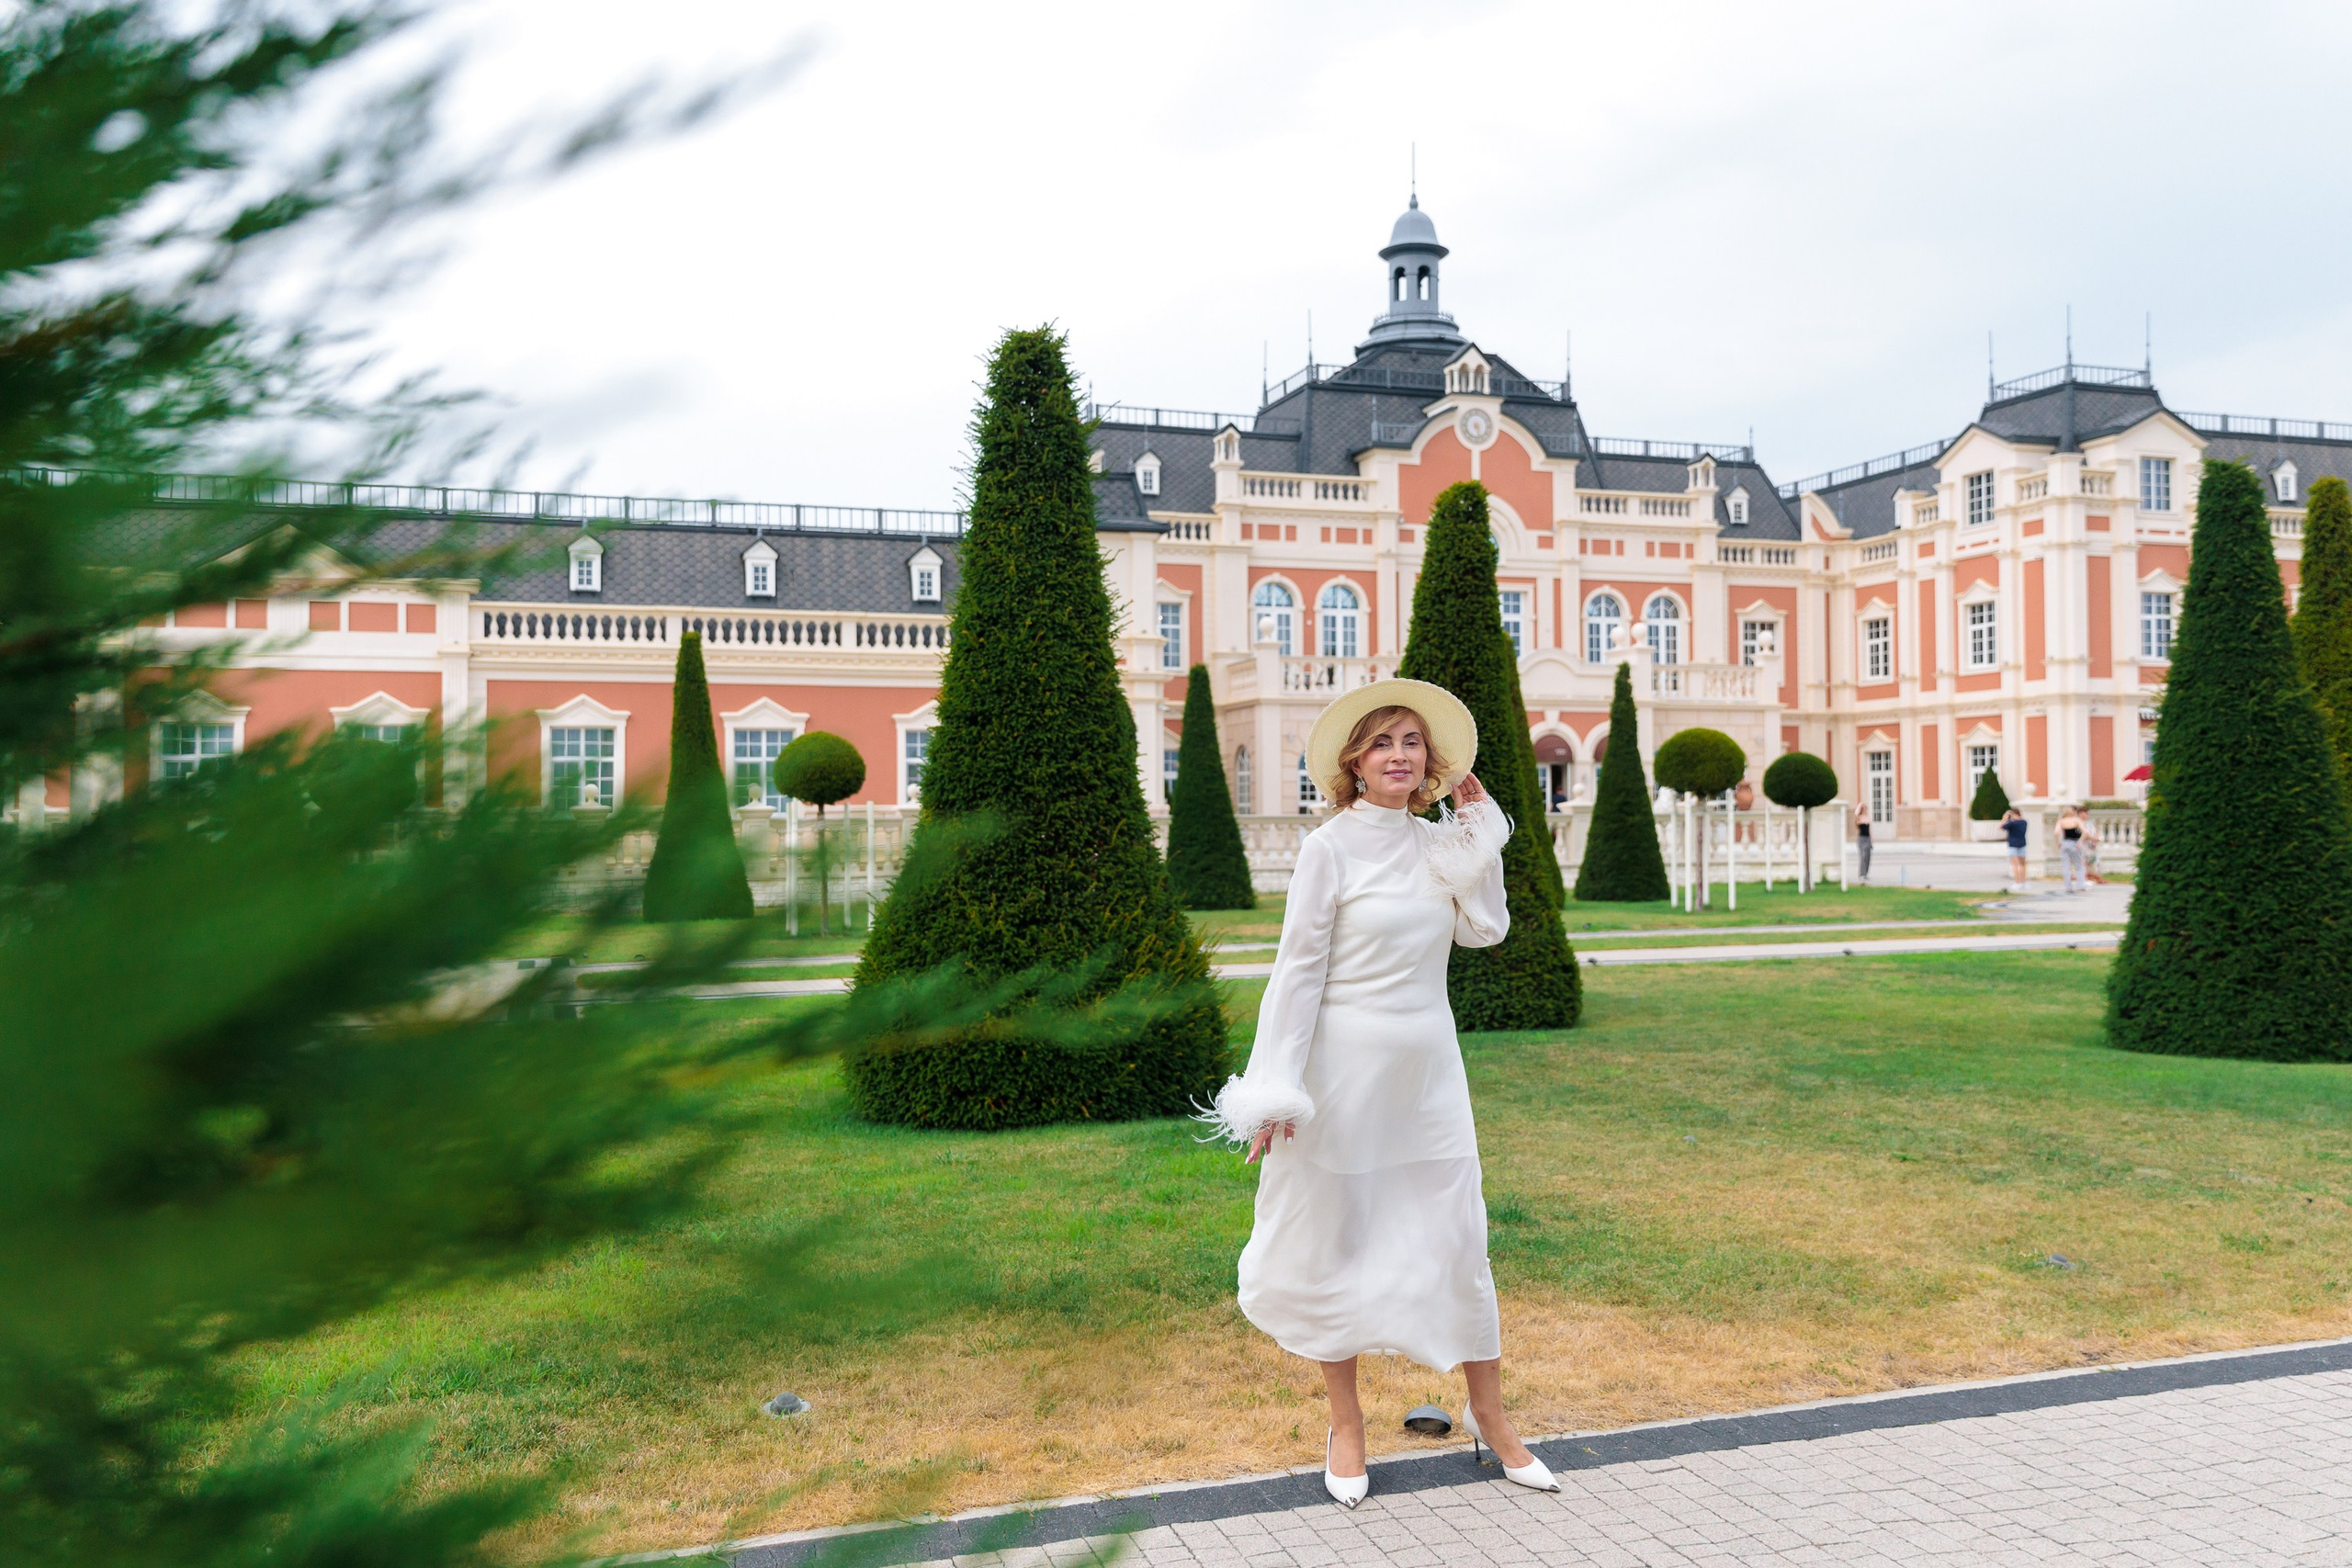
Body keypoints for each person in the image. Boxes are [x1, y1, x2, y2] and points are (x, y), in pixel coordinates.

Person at [1200, 677, 1556, 1508]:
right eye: (1384, 742)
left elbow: (1486, 927)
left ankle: (1490, 1414)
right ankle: (1346, 1423)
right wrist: (1275, 1089)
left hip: (1430, 1074)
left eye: (1412, 742)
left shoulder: (1439, 842)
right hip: (1344, 1078)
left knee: (1460, 1239)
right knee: (1337, 1242)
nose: (1400, 755)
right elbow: (1298, 973)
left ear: (1431, 761)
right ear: (1354, 762)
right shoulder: (1330, 848)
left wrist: (1478, 832)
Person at [2057, 804, 2086, 894]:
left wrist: (2058, 843)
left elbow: (2056, 832)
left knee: (2066, 866)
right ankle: (2080, 885)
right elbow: (2085, 831)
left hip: (2065, 843)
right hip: (2074, 843)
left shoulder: (2061, 821)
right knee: (2078, 865)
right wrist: (2080, 841)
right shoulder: (2076, 820)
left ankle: (2068, 886)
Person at [2002, 807, 2029, 894]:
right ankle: (2023, 882)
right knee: (2023, 864)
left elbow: (2001, 827)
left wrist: (2005, 818)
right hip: (2022, 843)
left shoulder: (2011, 824)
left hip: (2013, 844)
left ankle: (2017, 882)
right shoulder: (2024, 822)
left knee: (2015, 865)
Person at [1854, 797, 1873, 883]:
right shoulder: (1859, 818)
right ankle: (1861, 874)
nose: (1865, 809)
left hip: (1867, 838)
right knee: (1863, 856)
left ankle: (1866, 874)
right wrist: (1861, 804)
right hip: (1861, 839)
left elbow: (1869, 830)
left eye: (1866, 808)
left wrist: (1871, 841)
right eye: (1864, 808)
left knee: (1868, 857)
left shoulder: (1867, 818)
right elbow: (1856, 813)